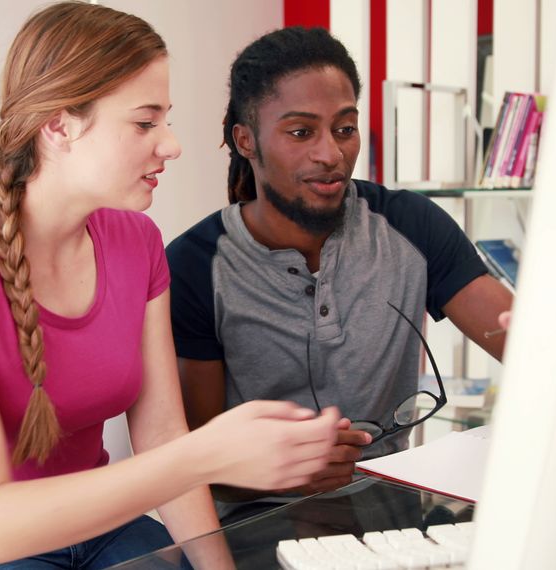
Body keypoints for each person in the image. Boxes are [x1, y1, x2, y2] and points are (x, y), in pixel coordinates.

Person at [0, 4, 342, 569]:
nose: (172, 144)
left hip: (103, 533)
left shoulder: (139, 242)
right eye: (145, 122)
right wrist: (205, 455)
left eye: (166, 120)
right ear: (59, 126)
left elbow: (160, 433)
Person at [166, 26, 514, 523]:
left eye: (345, 128)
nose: (330, 154)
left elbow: (523, 342)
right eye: (301, 132)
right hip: (261, 526)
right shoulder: (196, 265)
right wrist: (281, 471)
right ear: (246, 140)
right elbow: (192, 461)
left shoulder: (412, 226)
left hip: (395, 514)